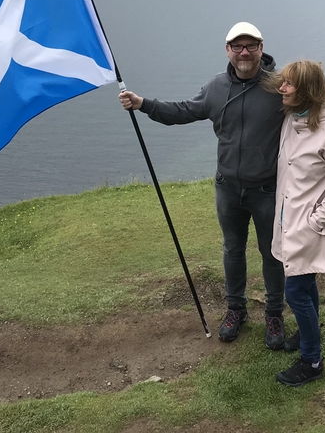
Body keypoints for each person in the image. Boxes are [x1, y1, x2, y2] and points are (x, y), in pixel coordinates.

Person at [119, 22, 287, 349]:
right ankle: (235, 309)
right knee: (232, 250)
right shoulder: (215, 88)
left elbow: (312, 104)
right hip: (228, 188)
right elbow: (185, 111)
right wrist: (143, 104)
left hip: (267, 189)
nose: (244, 52)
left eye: (250, 45)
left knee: (272, 253)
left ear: (261, 48)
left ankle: (274, 313)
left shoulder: (278, 87)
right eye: (237, 46)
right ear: (227, 50)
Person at [266, 60, 325, 387]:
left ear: (305, 91)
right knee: (305, 286)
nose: (282, 89)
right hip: (289, 222)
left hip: (309, 227)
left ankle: (312, 359)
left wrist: (316, 221)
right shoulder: (293, 120)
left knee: (296, 293)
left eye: (289, 84)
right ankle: (308, 335)